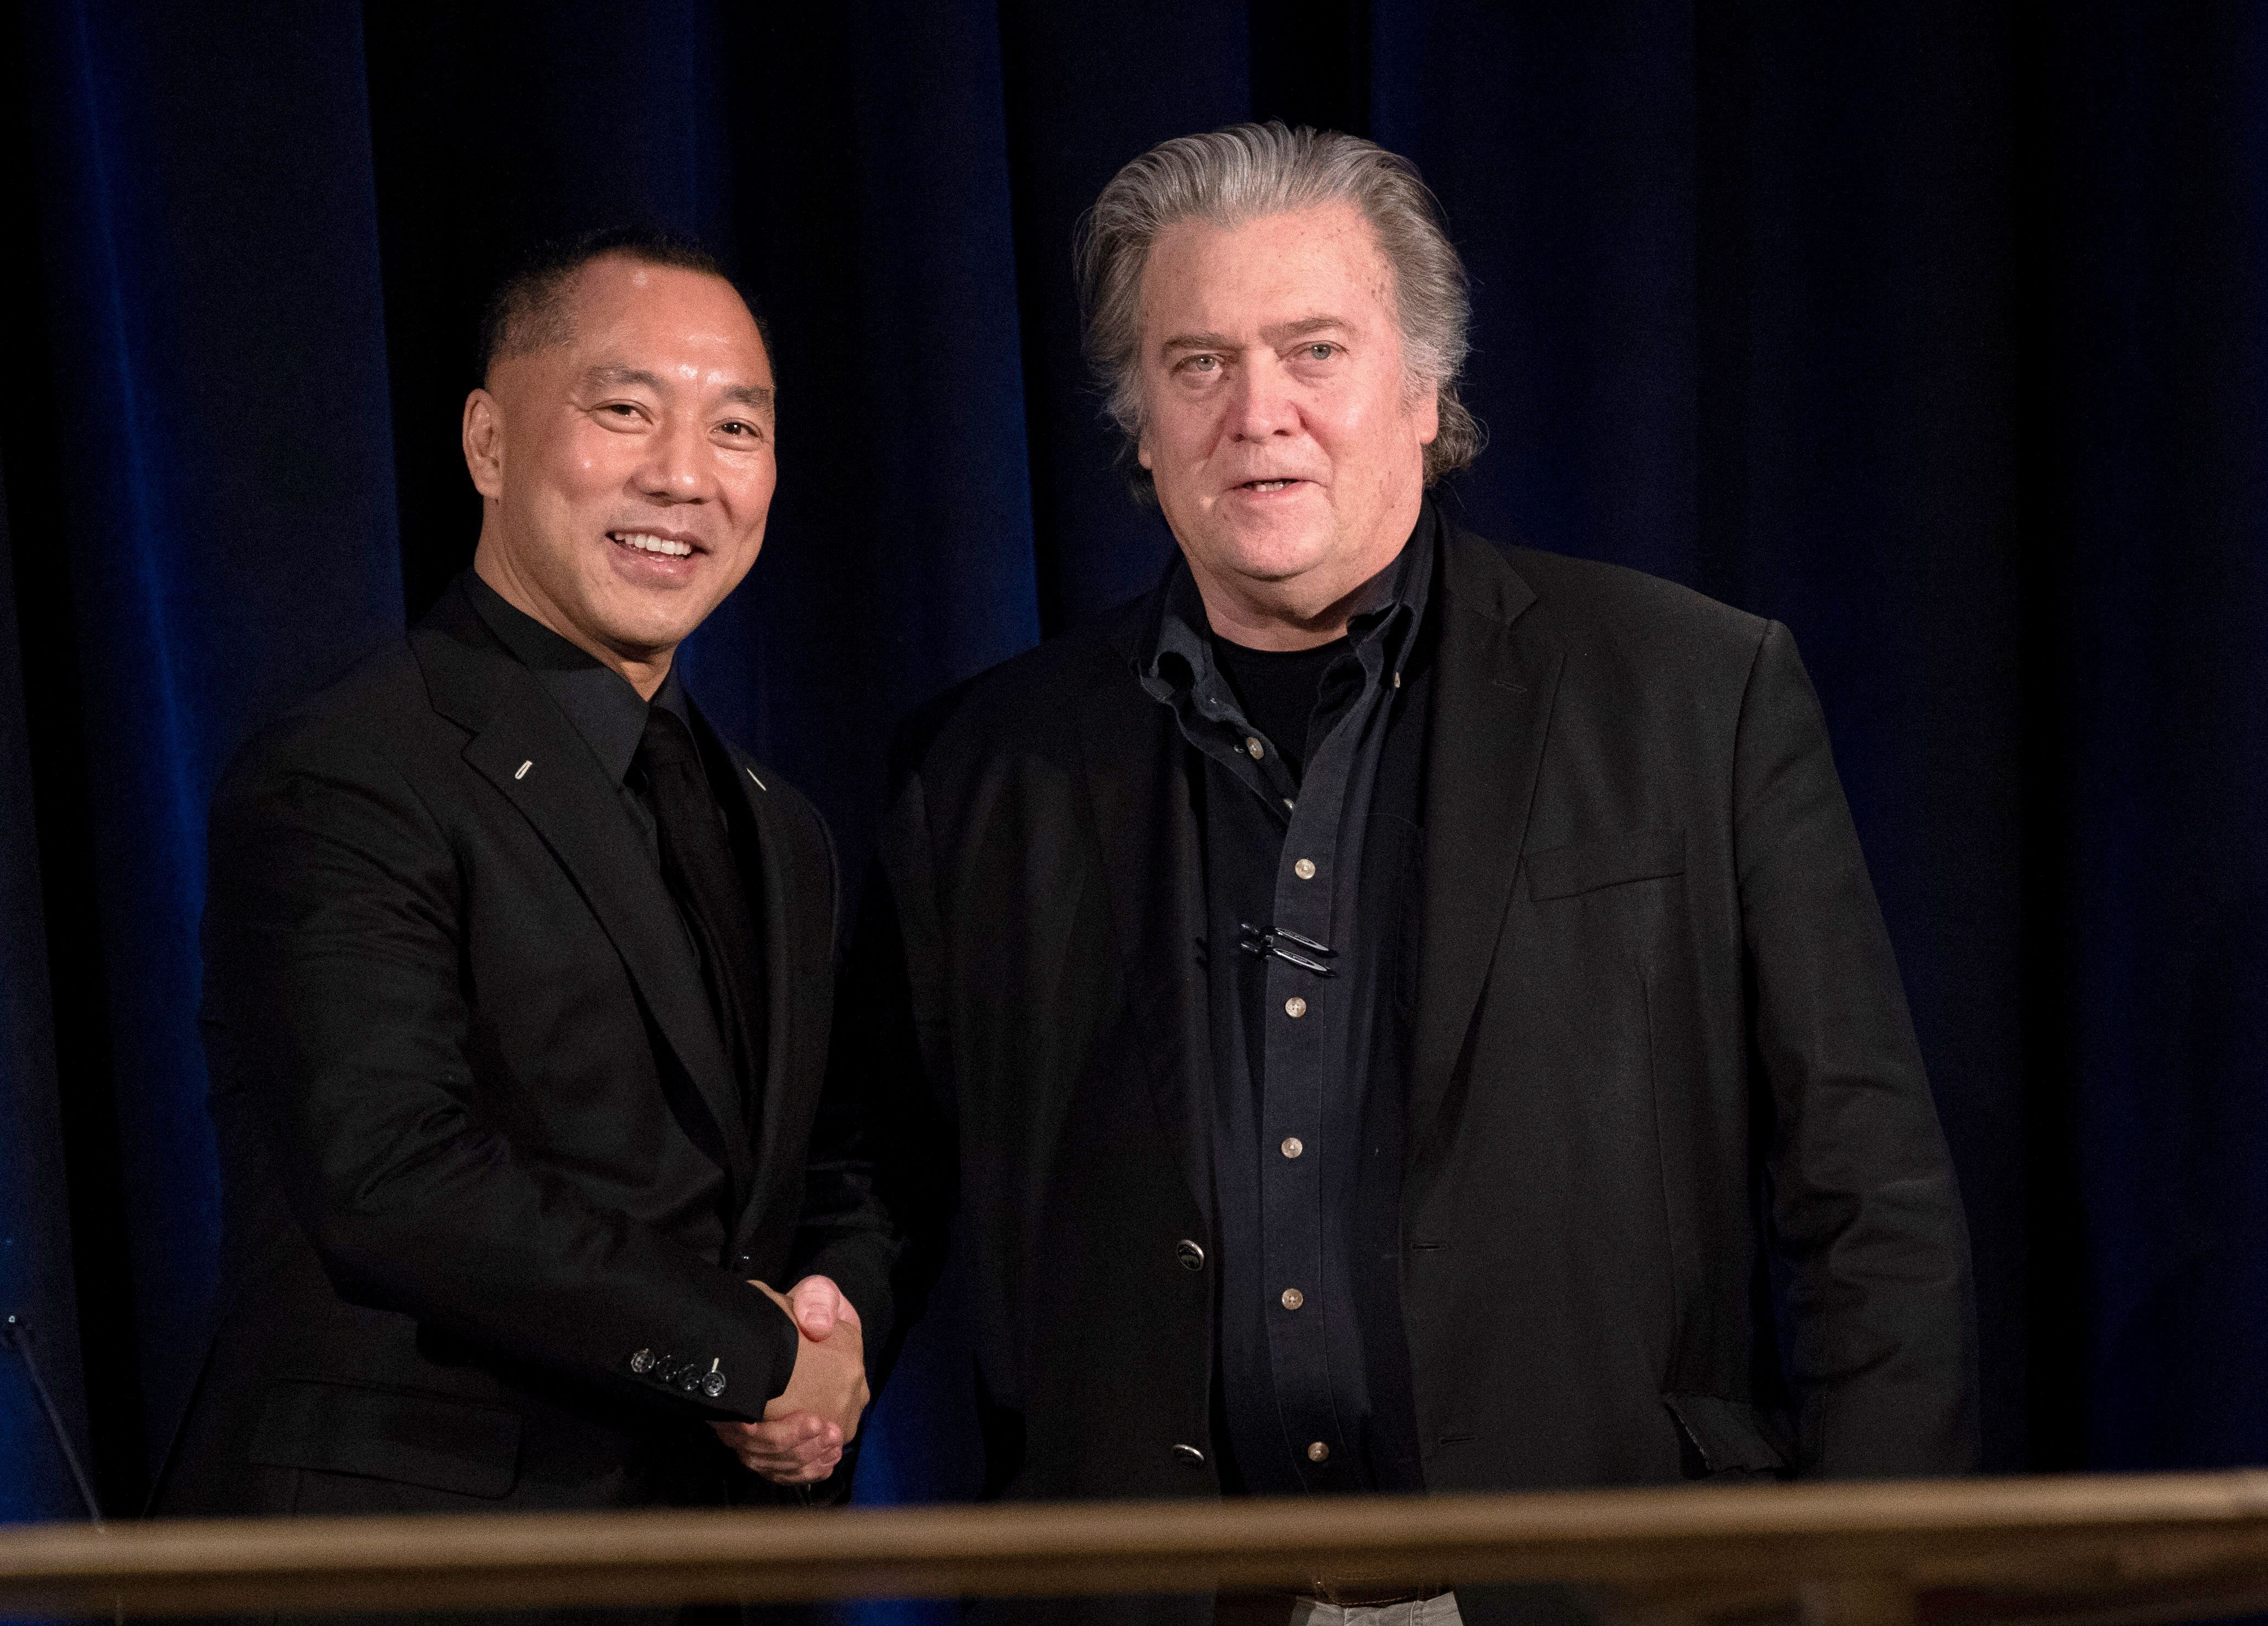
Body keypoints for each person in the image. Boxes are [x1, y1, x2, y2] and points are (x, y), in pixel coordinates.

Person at [855, 124, 1979, 1626]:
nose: (1259, 415)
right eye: (1196, 364)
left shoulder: (1688, 695)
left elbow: (1869, 1197)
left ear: (1424, 390)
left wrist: (1870, 1590)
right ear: (1138, 426)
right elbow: (876, 1178)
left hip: (1603, 1598)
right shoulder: (981, 768)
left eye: (1312, 350)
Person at [157, 230, 887, 1555]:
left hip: (696, 1560)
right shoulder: (353, 766)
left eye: (736, 427)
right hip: (402, 1563)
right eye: (625, 410)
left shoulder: (782, 827)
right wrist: (747, 1357)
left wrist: (835, 1333)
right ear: (489, 444)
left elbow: (826, 1163)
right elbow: (394, 1173)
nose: (683, 475)